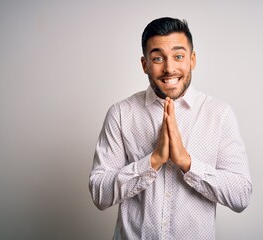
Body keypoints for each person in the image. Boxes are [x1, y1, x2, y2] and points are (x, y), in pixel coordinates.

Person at [89, 17, 252, 239]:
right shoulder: (120, 114)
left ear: (192, 60)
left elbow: (241, 195)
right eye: (158, 58)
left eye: (178, 56)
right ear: (144, 64)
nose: (169, 68)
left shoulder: (219, 115)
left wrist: (187, 162)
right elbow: (99, 194)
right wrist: (153, 161)